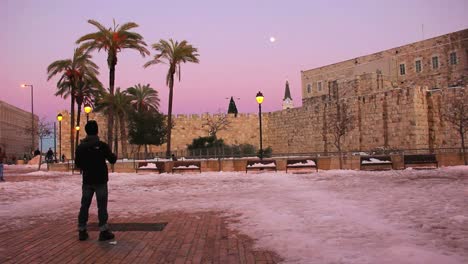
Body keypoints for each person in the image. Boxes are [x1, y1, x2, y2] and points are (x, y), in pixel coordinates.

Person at [75, 120, 117, 241]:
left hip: (87, 180)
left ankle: (82, 230)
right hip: (101, 180)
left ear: (86, 131)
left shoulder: (81, 147)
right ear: (97, 131)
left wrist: (87, 167)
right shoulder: (102, 145)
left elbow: (78, 163)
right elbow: (112, 159)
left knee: (84, 205)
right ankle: (103, 230)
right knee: (102, 206)